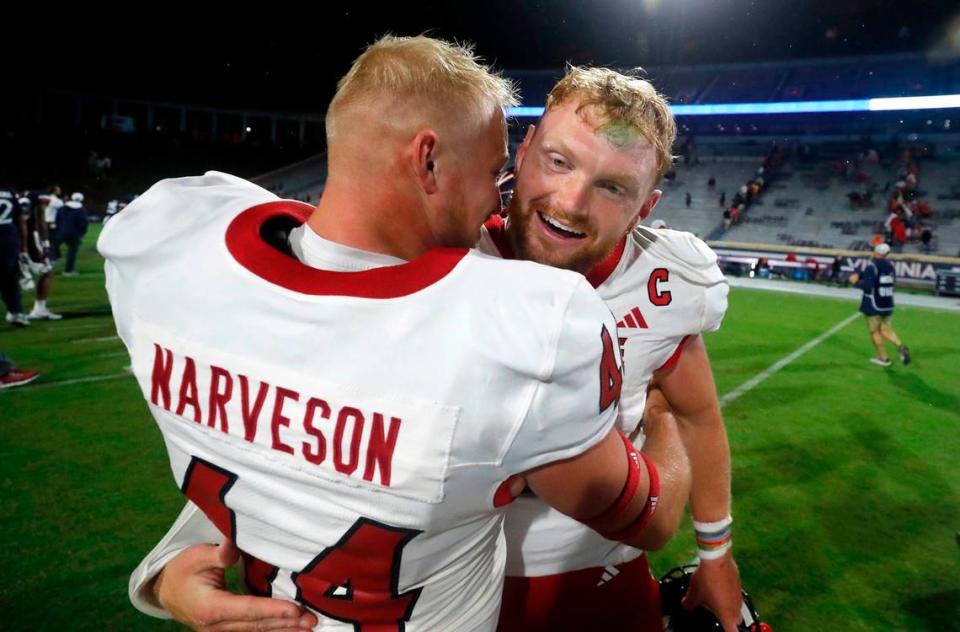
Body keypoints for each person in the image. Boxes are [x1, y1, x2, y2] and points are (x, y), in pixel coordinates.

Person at [135, 66, 744, 632]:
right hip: (436, 580)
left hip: (598, 569)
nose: (570, 201)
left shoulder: (665, 282)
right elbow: (291, 412)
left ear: (647, 208)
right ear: (523, 151)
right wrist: (183, 544)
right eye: (558, 162)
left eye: (613, 187)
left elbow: (696, 412)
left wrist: (715, 553)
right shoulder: (425, 249)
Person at [848, 243, 910, 367]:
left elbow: (868, 286)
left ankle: (883, 358)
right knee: (886, 330)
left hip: (873, 304)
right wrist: (861, 275)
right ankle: (901, 347)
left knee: (874, 332)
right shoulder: (890, 267)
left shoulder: (872, 267)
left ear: (876, 252)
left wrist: (855, 282)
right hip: (887, 303)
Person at [21, 193, 61, 320]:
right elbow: (40, 219)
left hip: (13, 234)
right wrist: (45, 242)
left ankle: (15, 310)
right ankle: (39, 309)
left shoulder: (25, 194)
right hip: (30, 236)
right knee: (47, 272)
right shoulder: (39, 196)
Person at [1, 187, 31, 327]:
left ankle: (16, 311)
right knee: (10, 278)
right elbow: (21, 220)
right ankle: (16, 312)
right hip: (8, 238)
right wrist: (24, 246)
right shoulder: (10, 193)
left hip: (8, 239)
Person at [57, 192, 88, 276]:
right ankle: (68, 270)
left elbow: (57, 219)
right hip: (74, 234)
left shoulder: (62, 208)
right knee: (71, 253)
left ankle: (46, 270)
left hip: (61, 232)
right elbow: (83, 224)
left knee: (53, 251)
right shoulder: (81, 209)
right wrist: (82, 234)